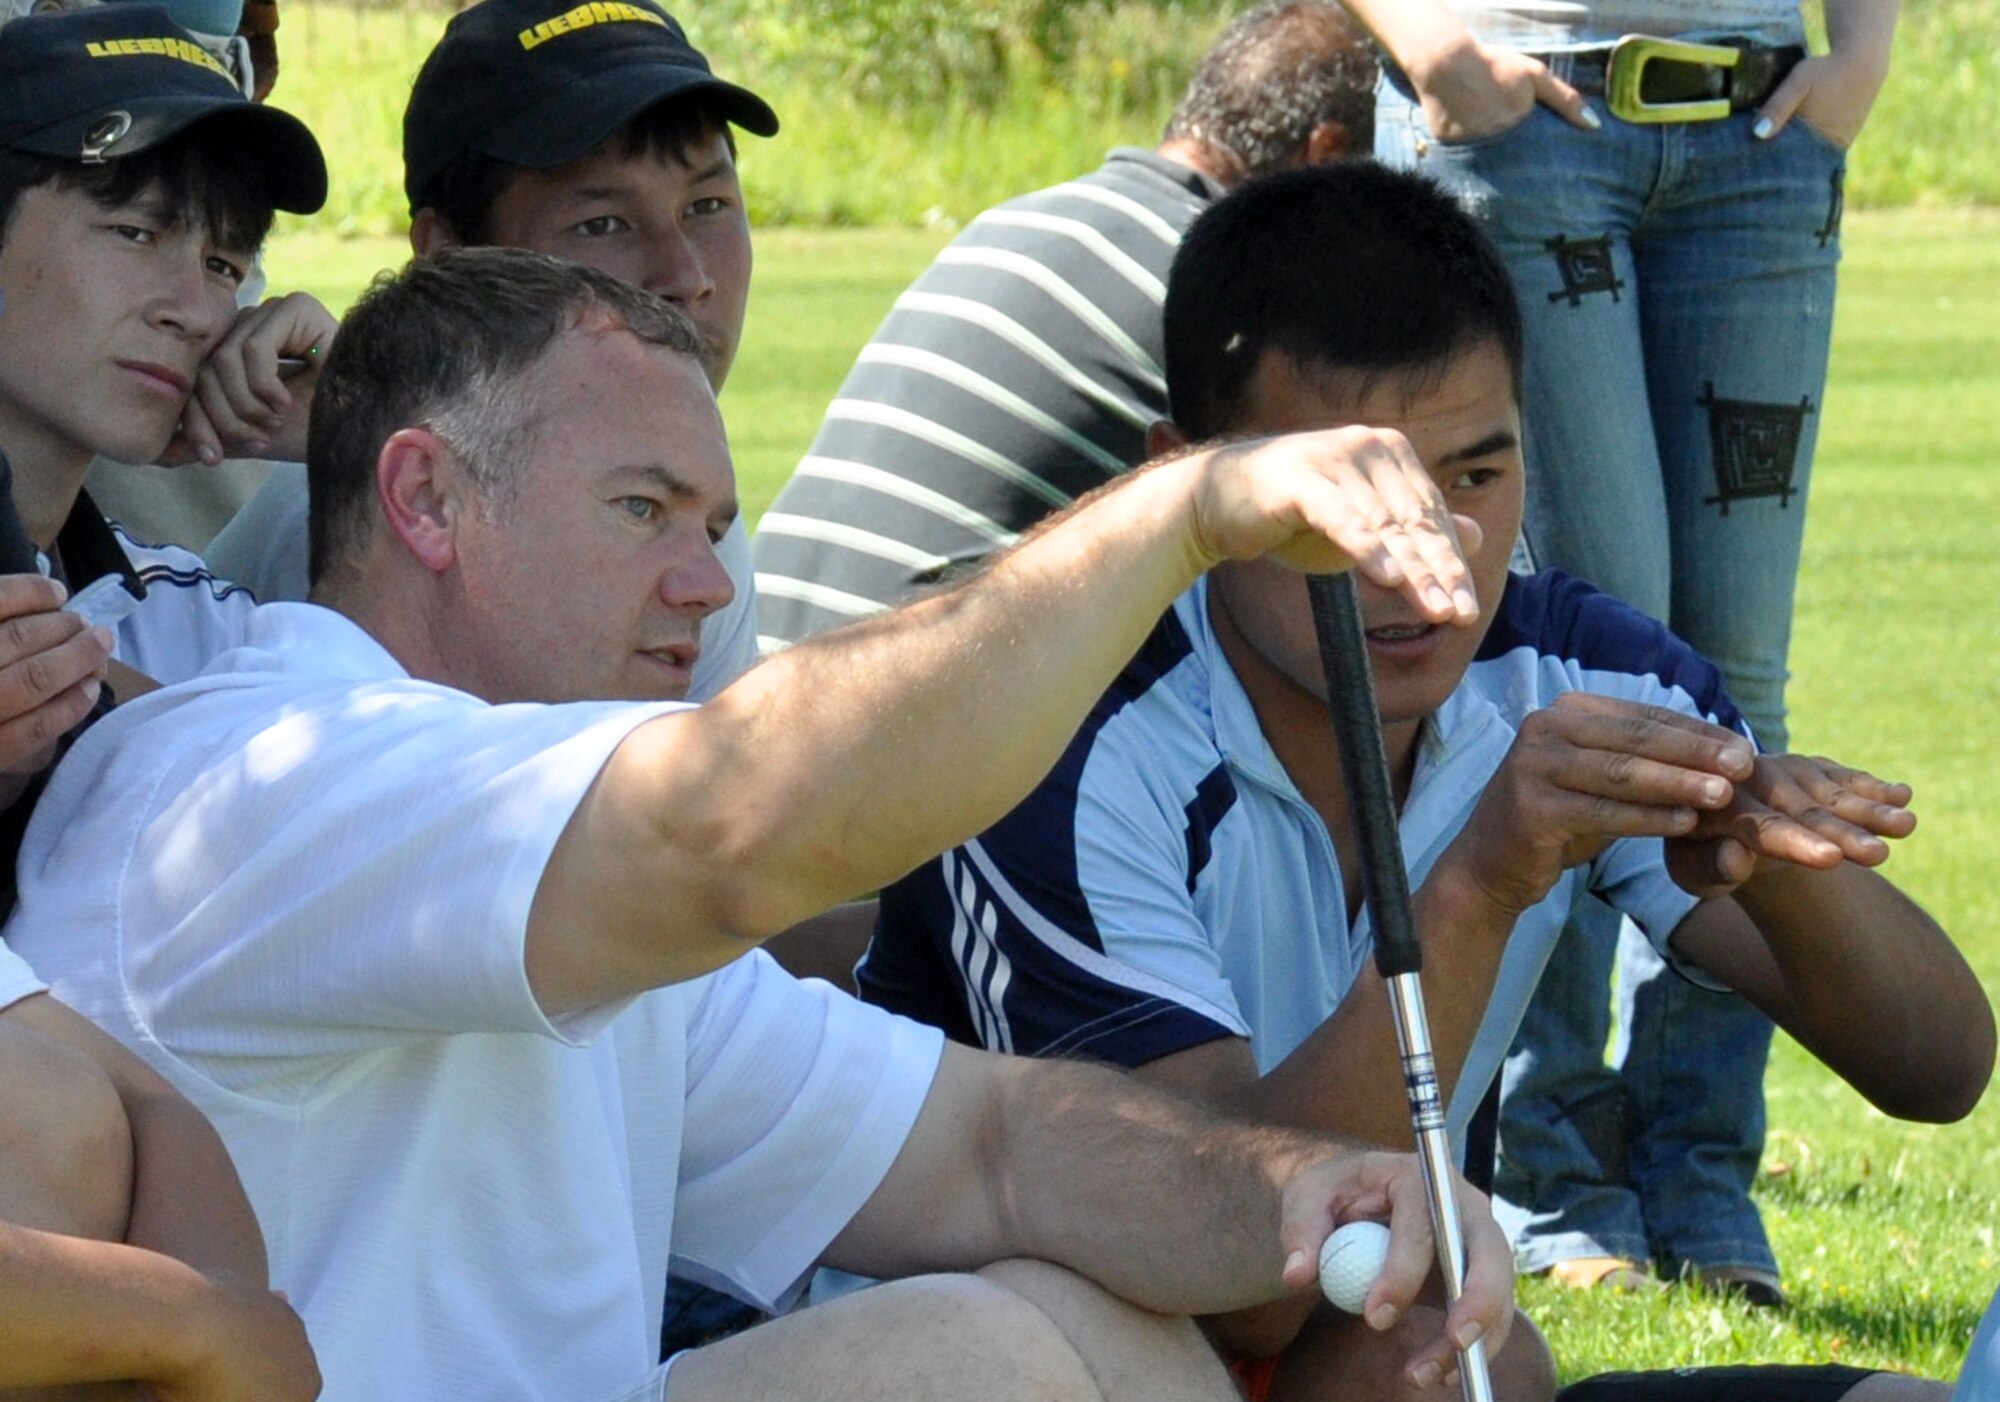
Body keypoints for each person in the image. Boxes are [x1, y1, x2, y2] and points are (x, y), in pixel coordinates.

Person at [5, 246, 1520, 1402]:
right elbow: (749, 819)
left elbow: (991, 1147)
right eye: (642, 511)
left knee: (1077, 1311)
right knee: (983, 1358)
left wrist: (1304, 1191)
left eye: (716, 529)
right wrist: (1183, 512)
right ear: (427, 500)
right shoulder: (273, 777)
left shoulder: (545, 851)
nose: (710, 587)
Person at [856, 162, 1992, 1400]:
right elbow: (1246, 1286)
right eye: (1341, 497)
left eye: (1473, 476)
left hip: (1368, 1342)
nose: (1419, 559)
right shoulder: (1060, 739)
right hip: (1023, 1356)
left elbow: (1936, 1067)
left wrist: (1766, 854)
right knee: (1439, 1349)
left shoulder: (1568, 667)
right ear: (1189, 481)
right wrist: (1477, 884)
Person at [1348, 0, 1893, 1299]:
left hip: (1763, 132)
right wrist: (1423, 36)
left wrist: (1863, 48)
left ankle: (1701, 1174)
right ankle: (1548, 1172)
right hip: (1523, 113)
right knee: (1570, 675)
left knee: (1736, 689)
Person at [750, 0, 1376, 650]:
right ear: (1324, 155)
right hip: (901, 698)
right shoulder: (1226, 290)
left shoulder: (1014, 219)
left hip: (756, 672)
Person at [207, 0, 768, 702]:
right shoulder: (381, 535)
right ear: (450, 259)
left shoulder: (690, 515)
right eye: (601, 224)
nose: (685, 277)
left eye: (708, 206)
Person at [0, 2, 330, 872]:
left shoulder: (178, 612)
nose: (191, 311)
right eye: (136, 231)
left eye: (224, 265)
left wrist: (358, 421)